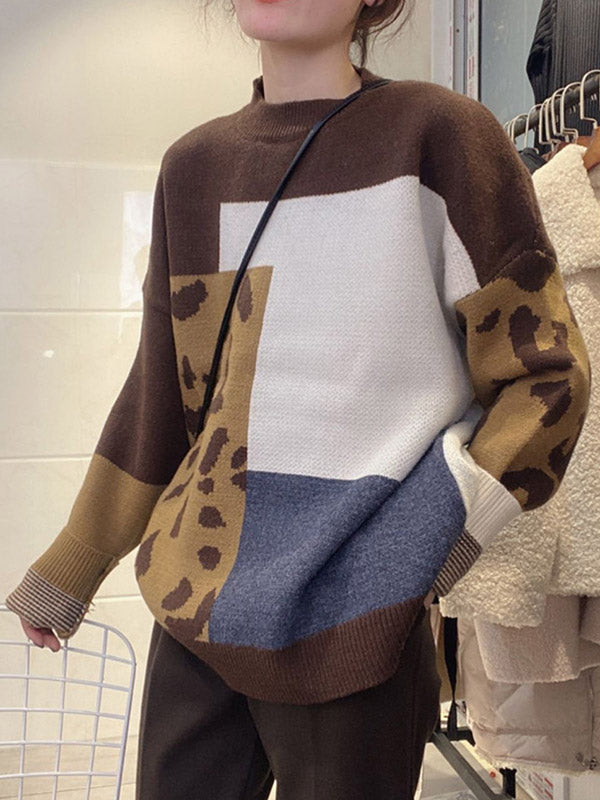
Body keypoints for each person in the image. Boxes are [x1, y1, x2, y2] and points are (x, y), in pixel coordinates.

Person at [5, 0, 591, 797]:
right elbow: (162, 397)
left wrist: (427, 541)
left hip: (358, 620)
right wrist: (73, 562)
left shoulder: (439, 138)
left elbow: (546, 376)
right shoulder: (194, 167)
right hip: (197, 604)